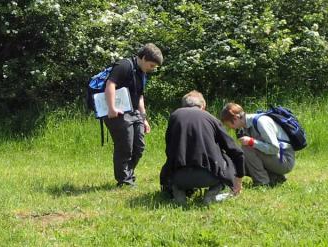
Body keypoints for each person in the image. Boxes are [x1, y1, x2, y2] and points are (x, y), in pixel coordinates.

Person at [159, 91, 245, 204]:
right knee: (227, 159)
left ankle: (179, 193)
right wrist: (238, 179)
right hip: (209, 177)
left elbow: (170, 149)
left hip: (178, 177)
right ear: (203, 106)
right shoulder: (211, 119)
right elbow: (236, 151)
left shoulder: (174, 116)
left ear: (183, 105)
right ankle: (211, 195)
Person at [104, 43, 163, 187]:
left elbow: (140, 97)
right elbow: (110, 85)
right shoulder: (124, 65)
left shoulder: (142, 72)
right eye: (151, 65)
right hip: (118, 113)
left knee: (139, 146)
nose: (152, 69)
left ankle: (128, 175)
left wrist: (144, 119)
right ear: (143, 58)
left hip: (134, 112)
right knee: (125, 147)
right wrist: (111, 108)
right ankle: (124, 181)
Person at [220, 103, 295, 186]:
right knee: (241, 158)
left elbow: (275, 148)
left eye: (229, 125)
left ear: (235, 118)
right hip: (277, 158)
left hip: (285, 160)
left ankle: (262, 182)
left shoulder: (261, 122)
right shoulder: (242, 127)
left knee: (246, 148)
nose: (230, 128)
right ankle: (275, 177)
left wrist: (252, 142)